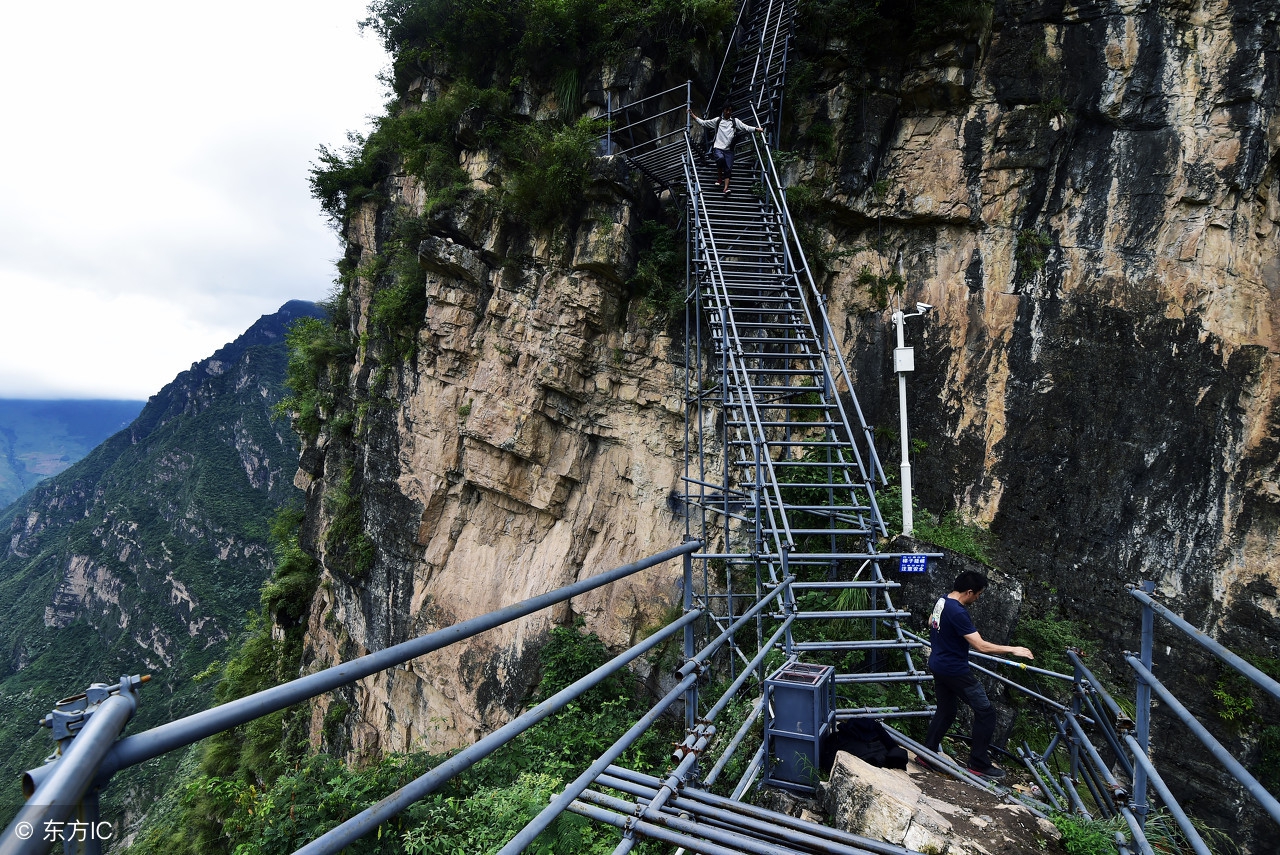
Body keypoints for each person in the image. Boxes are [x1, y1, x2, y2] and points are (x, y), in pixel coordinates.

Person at [922, 571, 1034, 781]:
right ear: (969, 592)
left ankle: (927, 753)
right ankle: (978, 763)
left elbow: (931, 622)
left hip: (938, 663)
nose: (978, 599)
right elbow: (981, 646)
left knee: (946, 710)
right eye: (978, 595)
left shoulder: (943, 600)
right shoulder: (958, 612)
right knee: (986, 712)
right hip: (955, 670)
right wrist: (1013, 649)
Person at [688, 106, 765, 194]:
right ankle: (720, 178)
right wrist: (692, 115)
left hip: (729, 149)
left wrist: (756, 129)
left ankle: (725, 188)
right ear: (723, 110)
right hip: (718, 147)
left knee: (728, 168)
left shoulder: (735, 121)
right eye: (726, 110)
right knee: (720, 159)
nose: (728, 112)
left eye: (730, 110)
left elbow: (745, 127)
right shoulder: (718, 120)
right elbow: (704, 123)